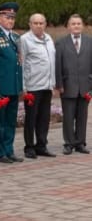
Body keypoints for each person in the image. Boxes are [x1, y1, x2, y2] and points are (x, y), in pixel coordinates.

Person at [0, 2, 24, 164]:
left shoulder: (16, 37)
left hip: (14, 85)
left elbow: (18, 62)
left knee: (10, 121)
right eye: (7, 17)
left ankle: (8, 150)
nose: (10, 21)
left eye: (12, 18)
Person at [20, 13, 56, 159]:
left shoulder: (49, 38)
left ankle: (41, 145)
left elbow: (51, 62)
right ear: (30, 24)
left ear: (45, 24)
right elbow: (21, 65)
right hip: (32, 87)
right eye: (35, 23)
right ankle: (29, 147)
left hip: (47, 86)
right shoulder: (24, 40)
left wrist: (52, 84)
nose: (39, 25)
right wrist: (23, 87)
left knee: (44, 118)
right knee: (31, 118)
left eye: (41, 23)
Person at [55, 14, 92, 155]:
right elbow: (58, 65)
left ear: (82, 26)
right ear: (68, 26)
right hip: (68, 85)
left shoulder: (90, 42)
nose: (76, 26)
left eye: (78, 23)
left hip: (85, 86)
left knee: (82, 116)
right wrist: (59, 84)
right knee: (68, 117)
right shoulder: (61, 43)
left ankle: (80, 143)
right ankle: (69, 143)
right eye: (73, 23)